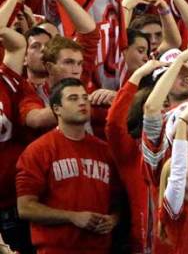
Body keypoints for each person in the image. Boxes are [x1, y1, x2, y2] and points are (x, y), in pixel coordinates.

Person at [16, 78, 121, 254]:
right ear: (56, 109)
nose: (82, 102)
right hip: (55, 249)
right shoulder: (38, 151)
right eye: (73, 98)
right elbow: (25, 208)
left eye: (85, 98)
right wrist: (72, 217)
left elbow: (118, 201)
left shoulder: (105, 150)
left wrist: (114, 219)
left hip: (100, 248)